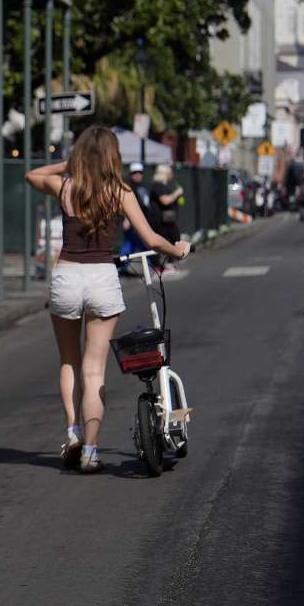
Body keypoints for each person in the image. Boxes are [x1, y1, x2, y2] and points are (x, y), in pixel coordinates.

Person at [24, 126, 189, 473]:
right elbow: (151, 239)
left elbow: (32, 175)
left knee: (69, 361)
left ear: (81, 155)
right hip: (101, 277)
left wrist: (69, 165)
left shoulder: (65, 186)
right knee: (94, 368)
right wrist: (178, 250)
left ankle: (72, 433)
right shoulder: (120, 191)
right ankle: (91, 451)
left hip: (67, 276)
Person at [150, 164, 184, 273]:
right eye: (169, 173)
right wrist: (177, 193)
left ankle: (169, 263)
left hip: (168, 220)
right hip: (161, 221)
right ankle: (161, 265)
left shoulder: (164, 186)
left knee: (175, 239)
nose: (171, 175)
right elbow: (165, 200)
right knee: (164, 242)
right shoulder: (158, 186)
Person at [118, 163, 150, 263]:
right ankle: (121, 265)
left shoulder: (142, 188)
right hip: (133, 222)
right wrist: (127, 218)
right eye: (134, 172)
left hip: (142, 221)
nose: (137, 175)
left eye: (140, 172)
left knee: (142, 245)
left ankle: (153, 265)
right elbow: (125, 204)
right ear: (131, 174)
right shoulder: (129, 188)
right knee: (131, 245)